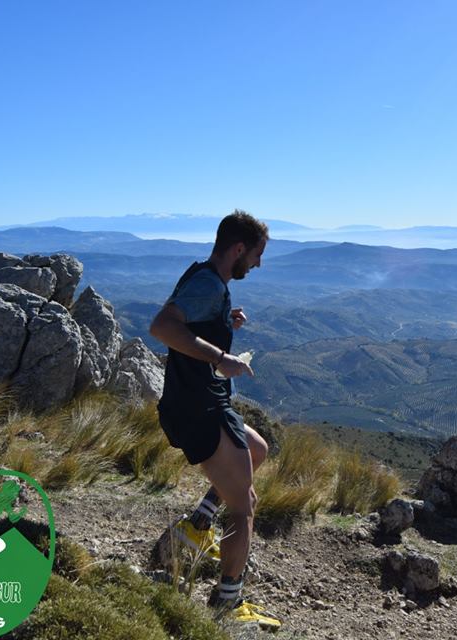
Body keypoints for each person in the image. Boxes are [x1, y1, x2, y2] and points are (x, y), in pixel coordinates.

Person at [150, 210, 280, 630]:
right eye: (256, 255)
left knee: (257, 450)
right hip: (199, 409)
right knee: (244, 507)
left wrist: (225, 323)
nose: (258, 264)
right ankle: (227, 604)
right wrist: (222, 357)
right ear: (239, 249)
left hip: (200, 403)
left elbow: (190, 324)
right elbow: (162, 327)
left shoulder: (205, 278)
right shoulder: (208, 283)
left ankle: (198, 524)